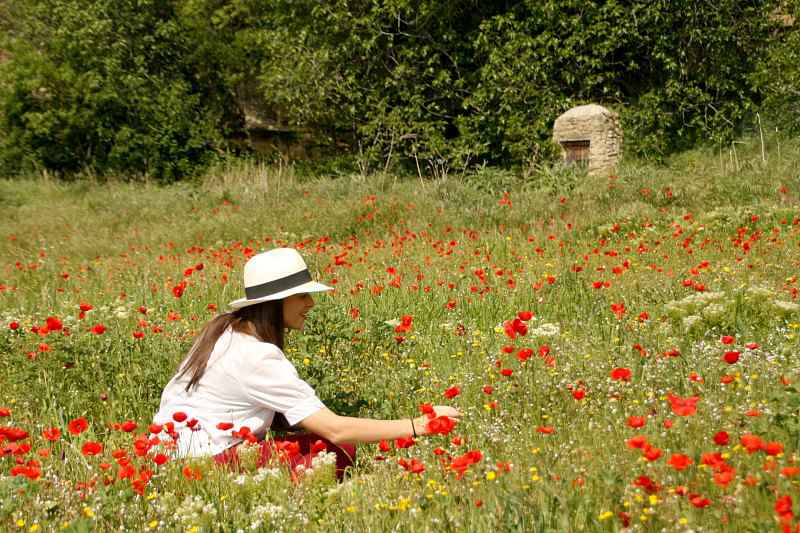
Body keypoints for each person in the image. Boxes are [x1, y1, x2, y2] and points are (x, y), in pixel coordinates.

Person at [153, 247, 460, 479]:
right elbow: (336, 429)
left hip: (166, 457)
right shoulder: (258, 355)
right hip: (208, 464)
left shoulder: (224, 330)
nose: (310, 304)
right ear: (276, 302)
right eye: (301, 295)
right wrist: (419, 426)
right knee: (337, 449)